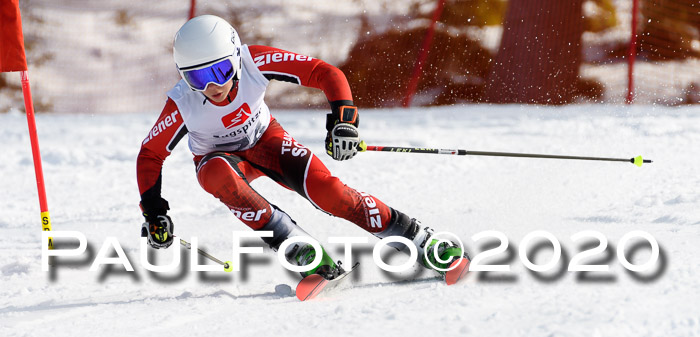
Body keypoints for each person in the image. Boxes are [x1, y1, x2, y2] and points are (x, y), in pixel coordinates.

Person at [137, 15, 467, 280]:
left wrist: (344, 120)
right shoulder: (182, 103)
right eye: (197, 79)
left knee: (331, 194)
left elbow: (325, 72)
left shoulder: (254, 61)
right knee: (212, 174)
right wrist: (154, 213)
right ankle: (293, 243)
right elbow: (151, 154)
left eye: (221, 71)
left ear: (235, 57)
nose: (213, 87)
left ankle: (421, 240)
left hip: (267, 142)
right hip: (221, 160)